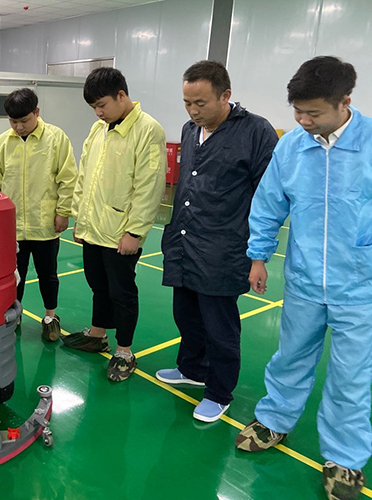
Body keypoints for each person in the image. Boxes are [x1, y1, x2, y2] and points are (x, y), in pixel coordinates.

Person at [235, 56, 372, 500]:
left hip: (361, 285)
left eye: (313, 113)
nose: (303, 120)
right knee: (290, 356)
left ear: (345, 101)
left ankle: (345, 457)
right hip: (305, 279)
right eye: (297, 111)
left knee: (351, 376)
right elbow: (269, 203)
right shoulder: (292, 147)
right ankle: (274, 420)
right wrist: (258, 257)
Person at [156, 60, 278, 423]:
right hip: (185, 241)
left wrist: (259, 255)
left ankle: (219, 391)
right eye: (187, 103)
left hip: (224, 249)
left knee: (219, 327)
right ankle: (192, 368)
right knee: (186, 316)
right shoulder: (190, 130)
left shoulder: (256, 132)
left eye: (201, 103)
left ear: (225, 96)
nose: (193, 111)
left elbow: (268, 197)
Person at [62, 67, 166, 382]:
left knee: (122, 292)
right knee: (98, 285)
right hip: (93, 227)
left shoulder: (148, 130)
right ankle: (97, 334)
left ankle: (124, 350)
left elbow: (149, 185)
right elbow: (84, 176)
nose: (98, 112)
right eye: (94, 107)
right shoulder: (98, 129)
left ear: (121, 95)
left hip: (121, 232)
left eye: (102, 105)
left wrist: (135, 231)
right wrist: (79, 218)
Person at [0, 88, 77, 342]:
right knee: (13, 276)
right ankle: (14, 314)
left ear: (36, 113)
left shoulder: (56, 138)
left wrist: (63, 212)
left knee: (47, 274)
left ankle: (50, 317)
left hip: (45, 223)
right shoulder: (4, 142)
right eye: (13, 122)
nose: (19, 127)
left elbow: (68, 178)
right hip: (13, 227)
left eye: (24, 121)